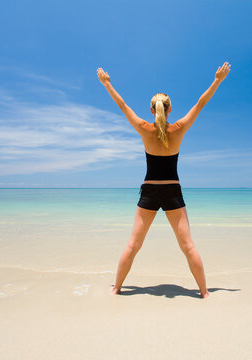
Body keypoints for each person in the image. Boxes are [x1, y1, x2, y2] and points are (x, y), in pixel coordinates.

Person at [97, 61, 231, 299]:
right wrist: (218, 80)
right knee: (188, 246)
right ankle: (204, 293)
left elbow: (122, 105)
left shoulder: (143, 128)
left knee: (133, 245)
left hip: (150, 191)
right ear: (169, 110)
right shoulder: (178, 129)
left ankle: (116, 288)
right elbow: (200, 103)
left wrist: (107, 84)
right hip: (172, 192)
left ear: (152, 110)